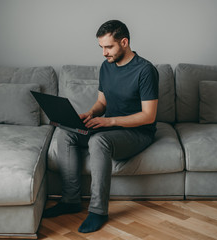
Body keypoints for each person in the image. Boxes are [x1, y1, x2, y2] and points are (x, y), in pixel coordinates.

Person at [43, 20, 159, 233]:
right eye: (101, 47)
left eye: (109, 47)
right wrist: (91, 113)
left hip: (138, 132)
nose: (104, 53)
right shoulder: (107, 67)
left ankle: (98, 211)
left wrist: (110, 121)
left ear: (124, 42)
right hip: (111, 127)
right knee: (65, 133)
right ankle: (70, 200)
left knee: (98, 140)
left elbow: (148, 116)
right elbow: (102, 103)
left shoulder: (145, 70)